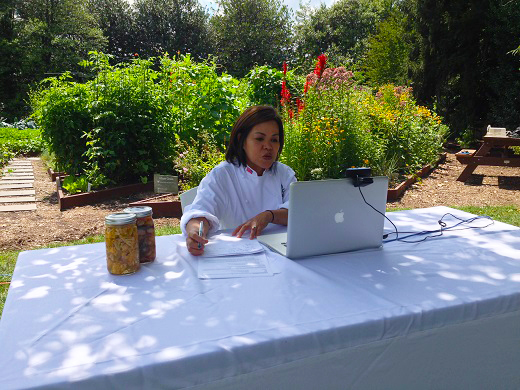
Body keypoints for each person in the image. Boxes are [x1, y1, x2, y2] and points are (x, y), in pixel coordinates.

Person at [181, 105, 296, 256]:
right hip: (237, 255)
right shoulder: (222, 175)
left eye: (274, 140)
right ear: (241, 140)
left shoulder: (284, 173)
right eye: (259, 138)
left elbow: (297, 212)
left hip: (280, 253)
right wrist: (195, 232)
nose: (268, 146)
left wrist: (268, 215)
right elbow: (200, 212)